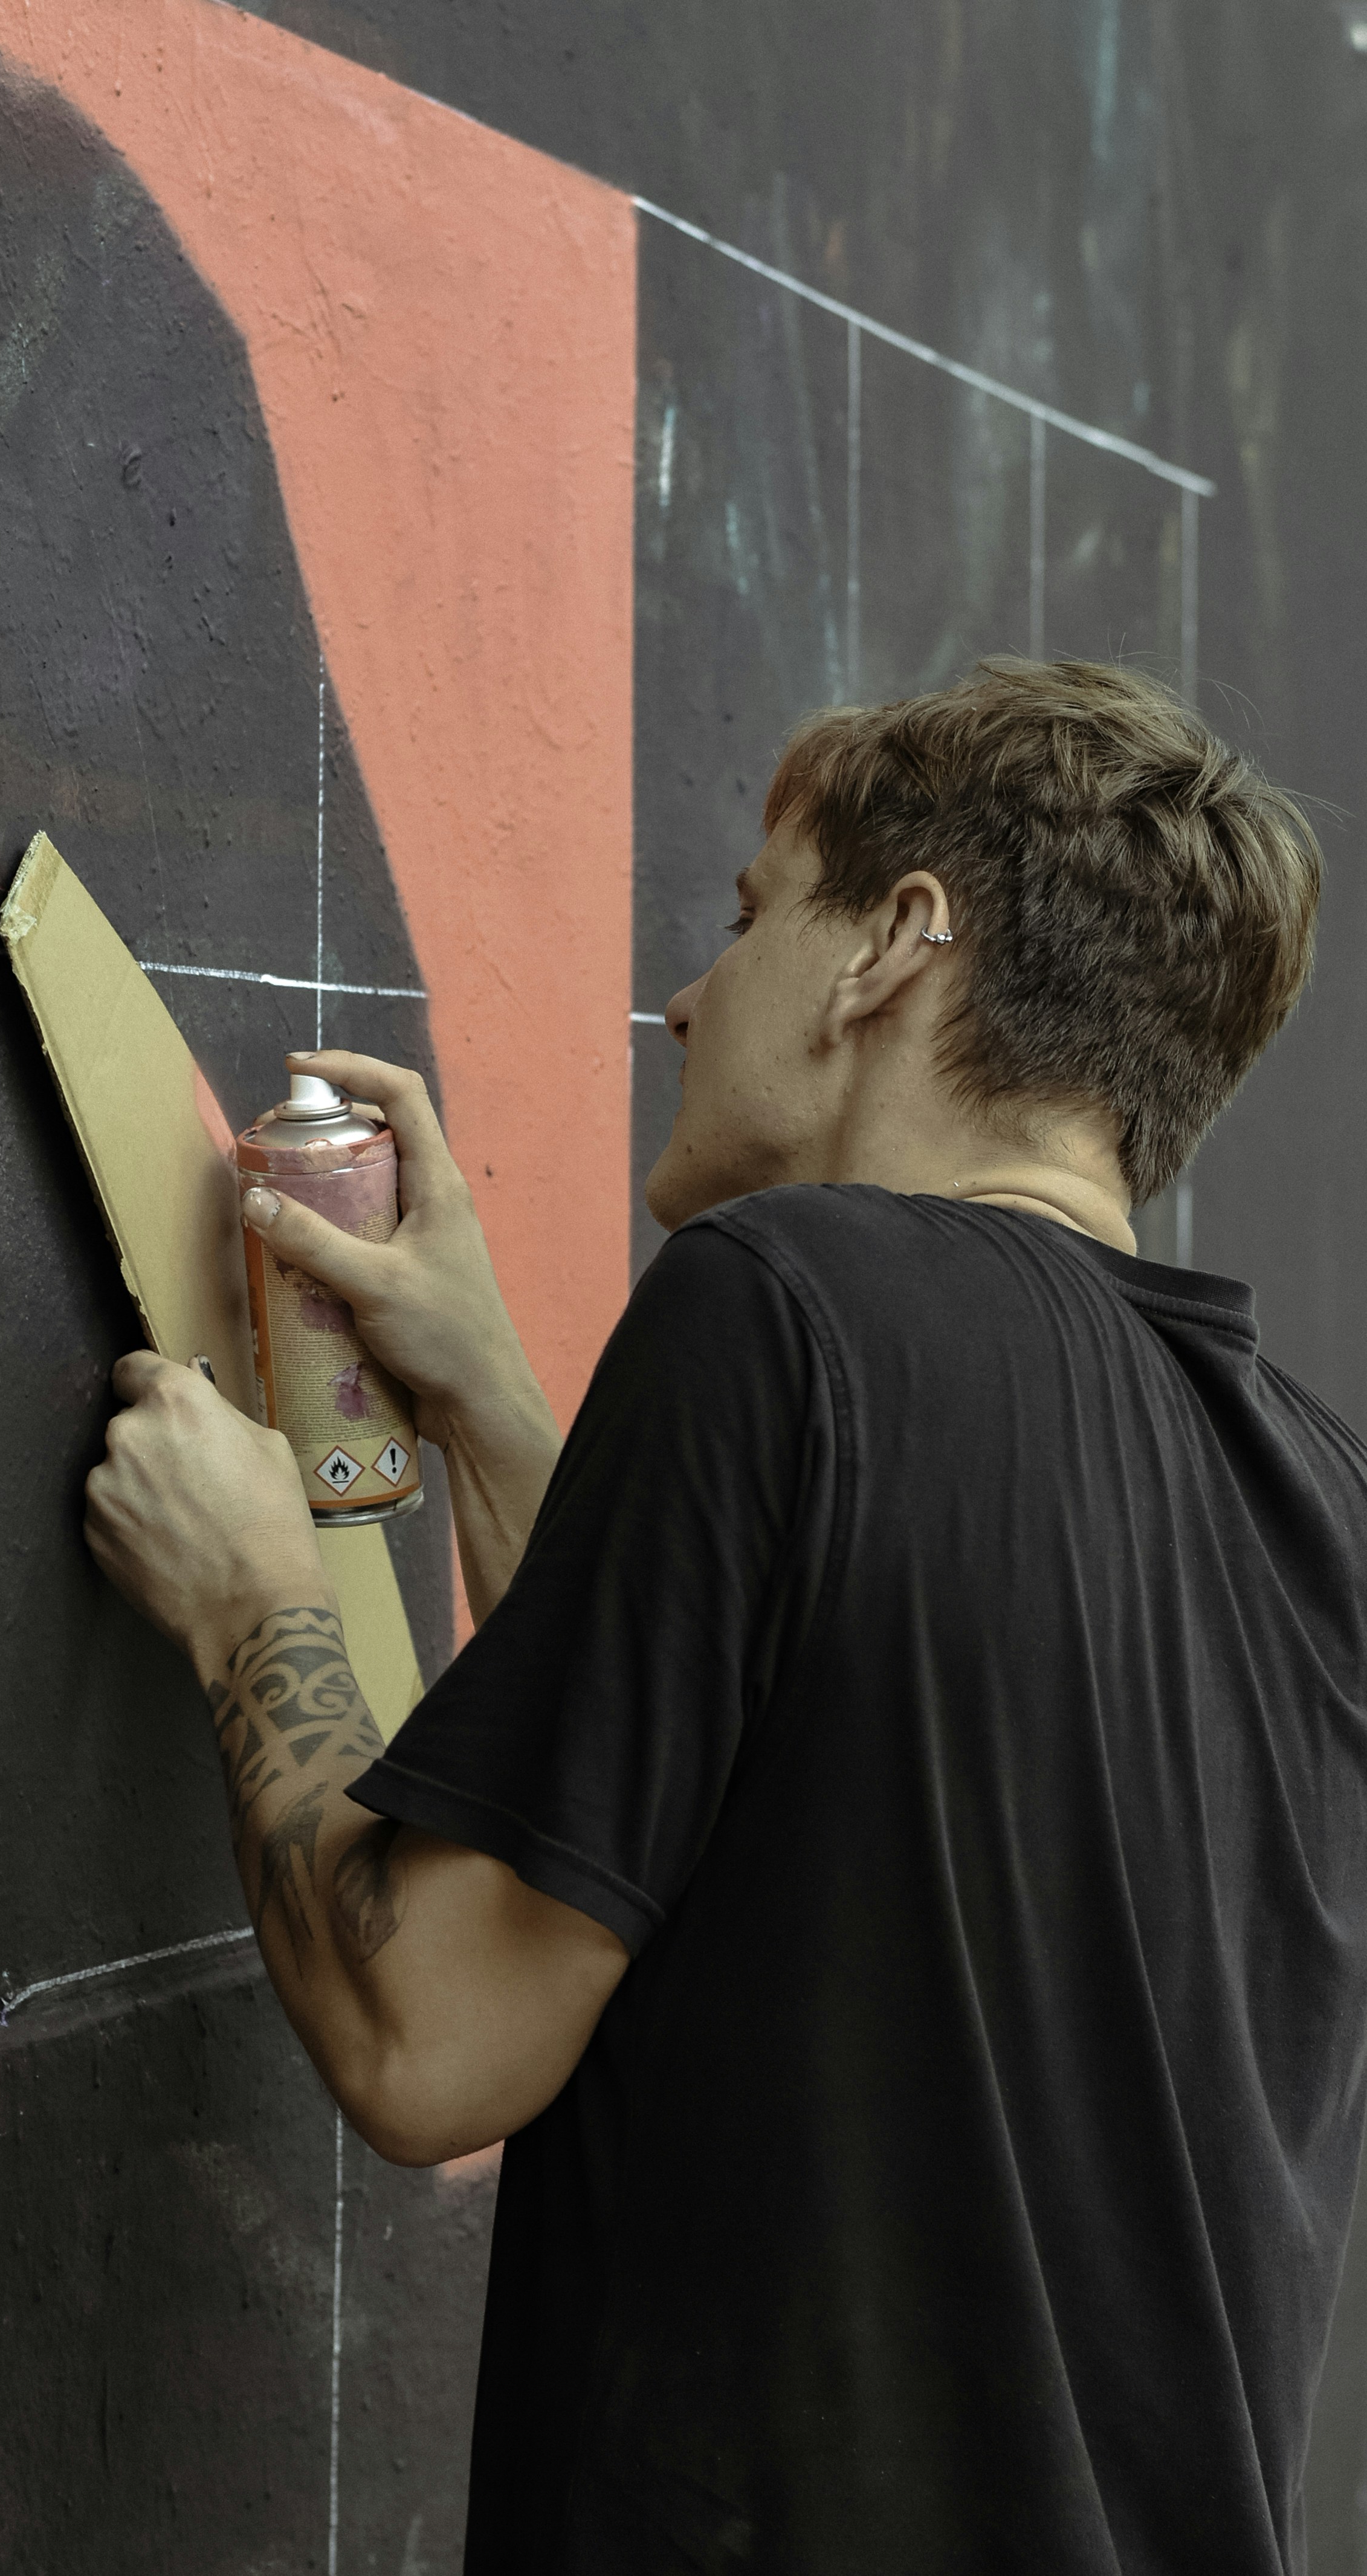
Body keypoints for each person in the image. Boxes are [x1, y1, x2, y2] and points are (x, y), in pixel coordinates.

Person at [83, 658, 1367, 2574]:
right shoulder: (1317, 1494)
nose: (691, 996)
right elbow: (728, 1801)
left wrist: (247, 1590)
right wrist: (496, 1403)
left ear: (895, 950)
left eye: (754, 917)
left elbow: (429, 2035)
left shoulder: (787, 1301)